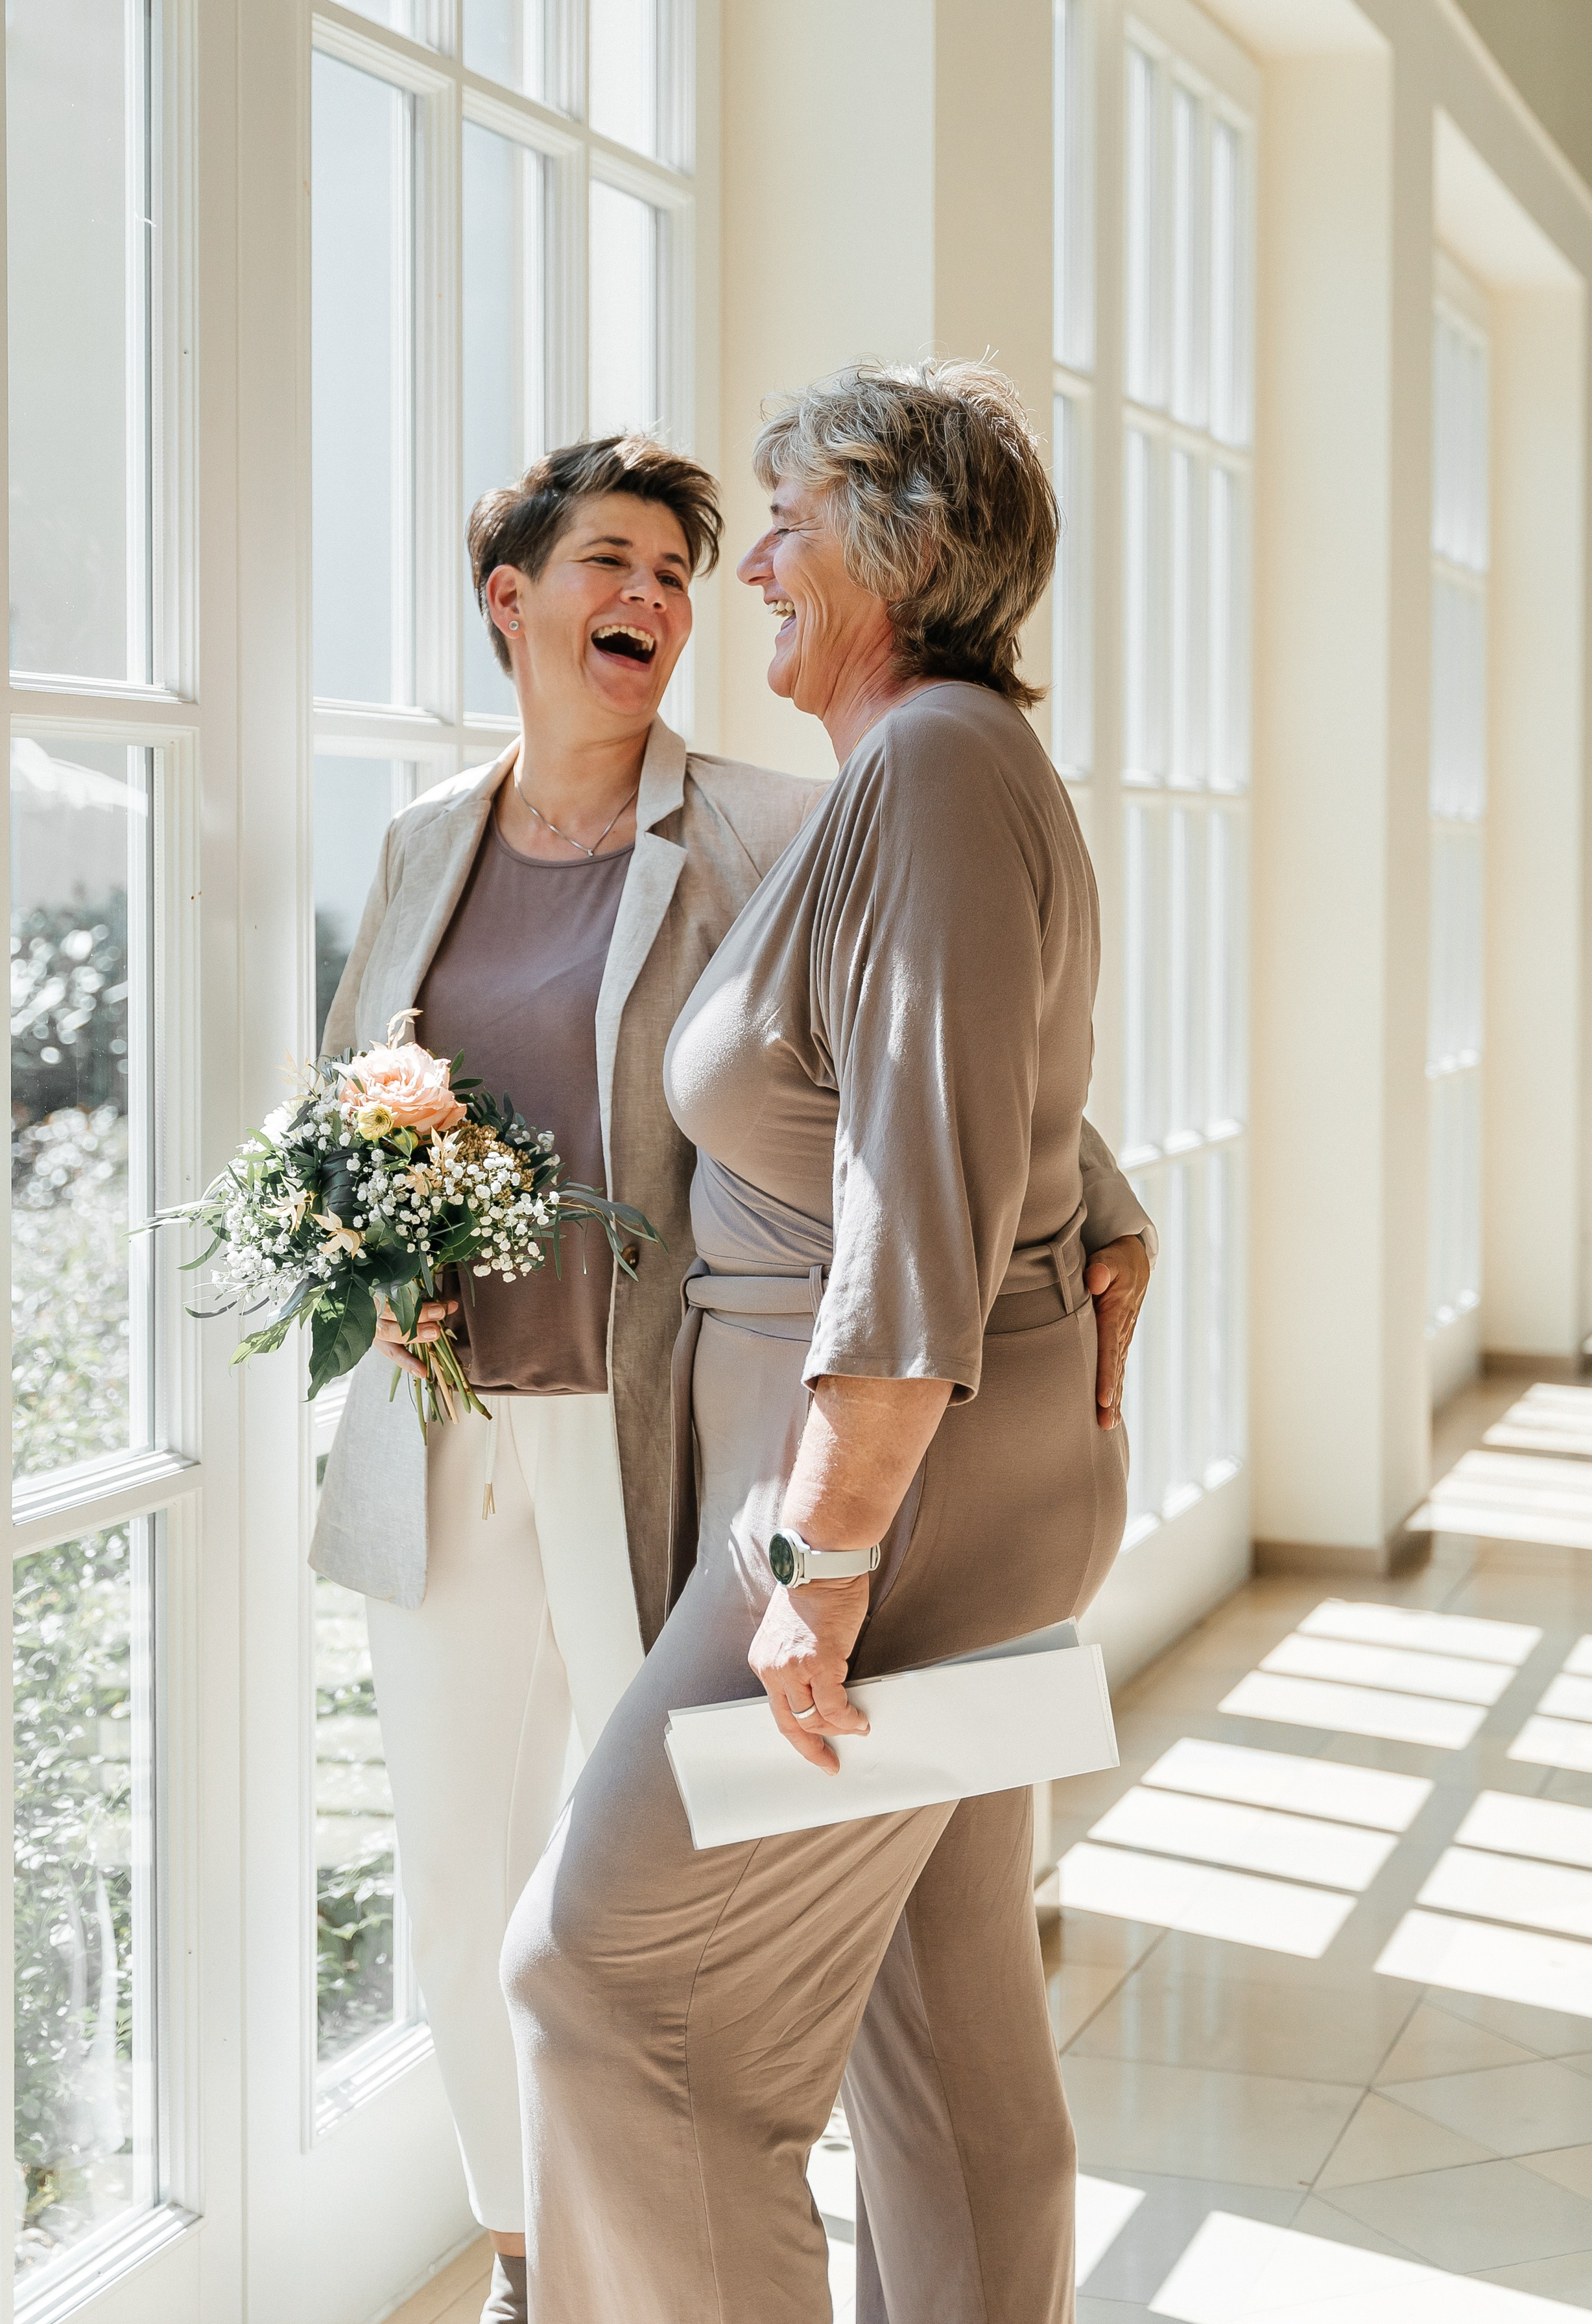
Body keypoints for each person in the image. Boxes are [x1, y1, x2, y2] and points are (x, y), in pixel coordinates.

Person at [314, 433, 1150, 2323]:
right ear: (507, 596)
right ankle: (538, 2257)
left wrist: (1102, 1198)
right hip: (465, 1431)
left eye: (694, 564)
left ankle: (614, 2261)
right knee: (489, 1893)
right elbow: (360, 1093)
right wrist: (366, 1238)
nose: (681, 589)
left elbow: (959, 1049)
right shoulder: (420, 847)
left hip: (712, 1452)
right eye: (615, 557)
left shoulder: (800, 814)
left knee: (624, 1968)